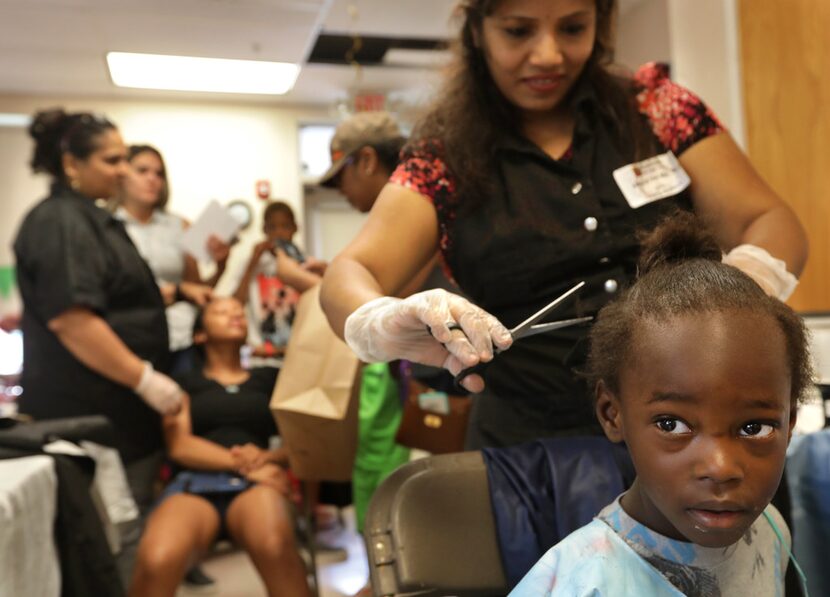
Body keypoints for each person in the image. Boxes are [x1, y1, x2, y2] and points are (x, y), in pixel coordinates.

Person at [320, 0, 809, 449]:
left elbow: (770, 220)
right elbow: (349, 274)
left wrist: (736, 294)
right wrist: (377, 320)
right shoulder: (442, 158)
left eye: (573, 28)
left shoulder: (659, 110)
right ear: (477, 32)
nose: (549, 55)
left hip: (691, 436)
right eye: (518, 31)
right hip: (532, 450)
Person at [509, 213, 809, 596]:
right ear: (611, 413)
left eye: (755, 427)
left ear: (790, 422)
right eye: (672, 424)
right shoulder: (582, 583)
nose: (720, 469)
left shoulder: (768, 531)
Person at [13, 108, 184, 585]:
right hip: (92, 416)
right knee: (109, 545)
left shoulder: (92, 219)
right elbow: (73, 321)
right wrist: (144, 379)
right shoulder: (62, 221)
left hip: (119, 418)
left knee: (125, 533)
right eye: (113, 161)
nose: (124, 171)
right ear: (72, 163)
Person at [129, 297, 310, 597]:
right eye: (220, 311)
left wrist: (267, 457)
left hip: (259, 482)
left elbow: (302, 442)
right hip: (195, 481)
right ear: (200, 334)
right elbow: (180, 446)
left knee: (274, 545)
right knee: (157, 559)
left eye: (239, 309)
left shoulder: (272, 378)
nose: (235, 313)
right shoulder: (182, 383)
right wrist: (244, 462)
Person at [115, 144, 230, 372]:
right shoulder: (107, 226)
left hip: (179, 337)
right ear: (122, 174)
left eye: (159, 174)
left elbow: (196, 290)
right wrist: (175, 291)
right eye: (143, 171)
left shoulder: (180, 225)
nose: (152, 179)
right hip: (129, 337)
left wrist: (221, 265)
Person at [232, 201, 321, 358]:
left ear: (295, 228)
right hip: (262, 353)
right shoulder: (251, 264)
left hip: (300, 351)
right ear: (264, 229)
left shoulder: (307, 263)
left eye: (285, 226)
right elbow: (236, 304)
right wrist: (252, 263)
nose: (279, 233)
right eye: (272, 227)